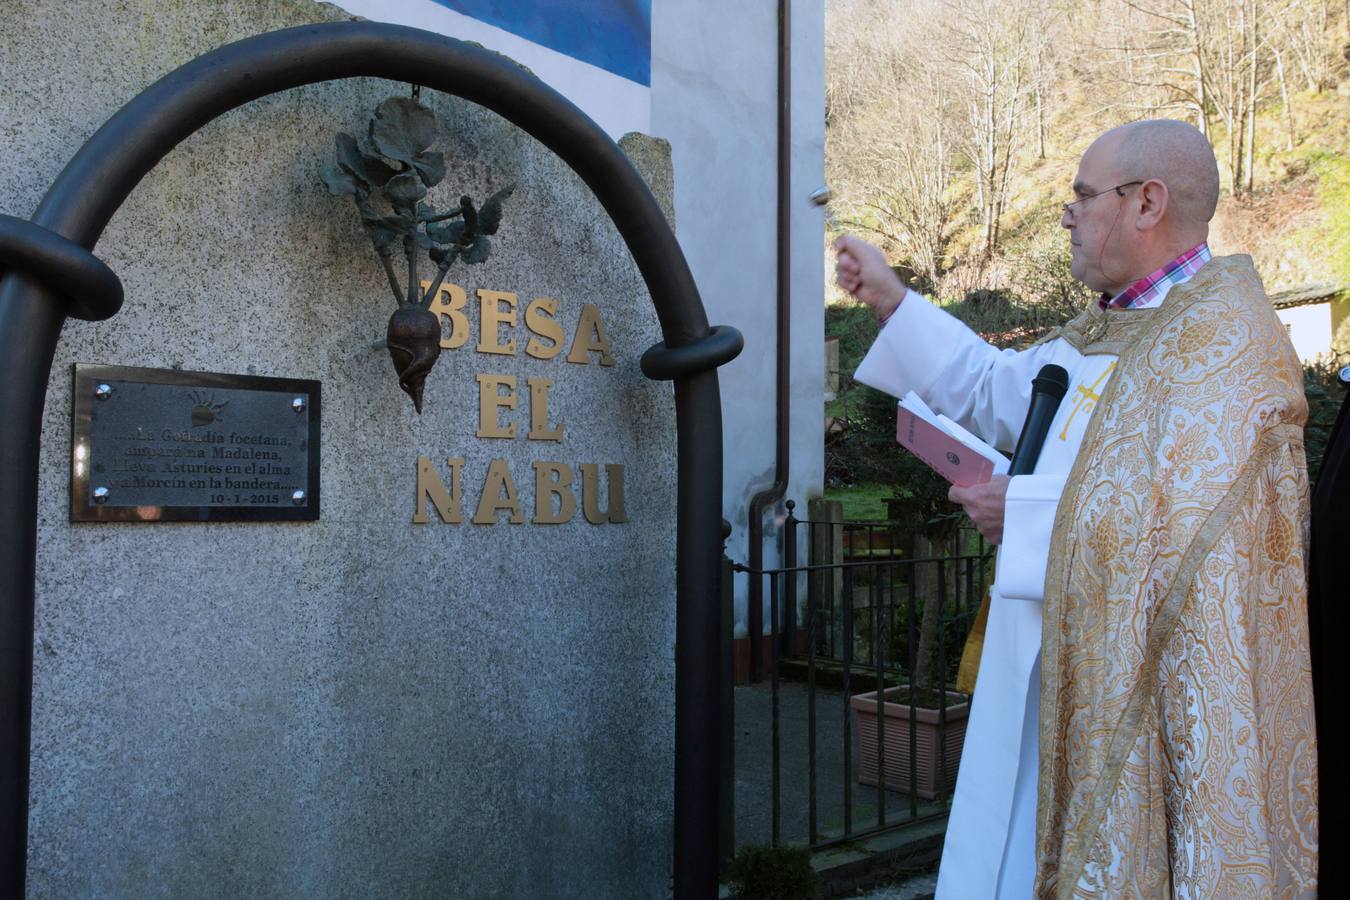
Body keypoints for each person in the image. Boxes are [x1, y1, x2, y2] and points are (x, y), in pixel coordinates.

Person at [835, 119, 1317, 897]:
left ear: (1147, 203)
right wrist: (893, 299)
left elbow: (1198, 532)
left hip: (1136, 697)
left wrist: (1024, 519)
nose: (1067, 214)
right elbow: (997, 389)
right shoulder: (1095, 333)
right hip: (1038, 658)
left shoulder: (1224, 352)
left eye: (1082, 196)